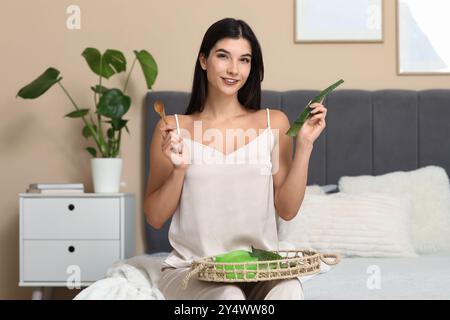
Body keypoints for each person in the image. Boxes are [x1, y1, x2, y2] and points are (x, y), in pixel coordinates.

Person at [144, 18, 327, 300]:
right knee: (228, 296)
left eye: (244, 60)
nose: (233, 69)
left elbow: (287, 210)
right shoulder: (171, 128)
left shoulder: (273, 123)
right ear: (204, 60)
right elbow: (155, 217)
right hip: (192, 271)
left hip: (257, 271)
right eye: (223, 56)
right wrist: (179, 171)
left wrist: (304, 146)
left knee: (290, 289)